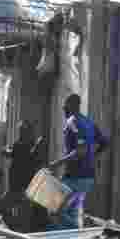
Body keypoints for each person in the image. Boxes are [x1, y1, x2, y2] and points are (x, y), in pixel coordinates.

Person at [47, 93, 109, 230]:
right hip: (88, 177)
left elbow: (80, 151)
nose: (63, 110)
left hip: (75, 176)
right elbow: (105, 143)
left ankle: (79, 232)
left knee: (54, 209)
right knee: (71, 212)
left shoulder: (72, 122)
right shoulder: (90, 123)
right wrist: (92, 156)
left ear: (71, 106)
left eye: (65, 107)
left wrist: (56, 163)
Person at [2, 120, 46, 232]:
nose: (20, 132)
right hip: (21, 182)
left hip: (21, 182)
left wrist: (4, 149)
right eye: (20, 130)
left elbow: (11, 153)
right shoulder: (31, 145)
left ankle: (22, 229)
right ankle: (20, 228)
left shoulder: (22, 145)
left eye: (22, 130)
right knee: (14, 206)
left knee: (15, 206)